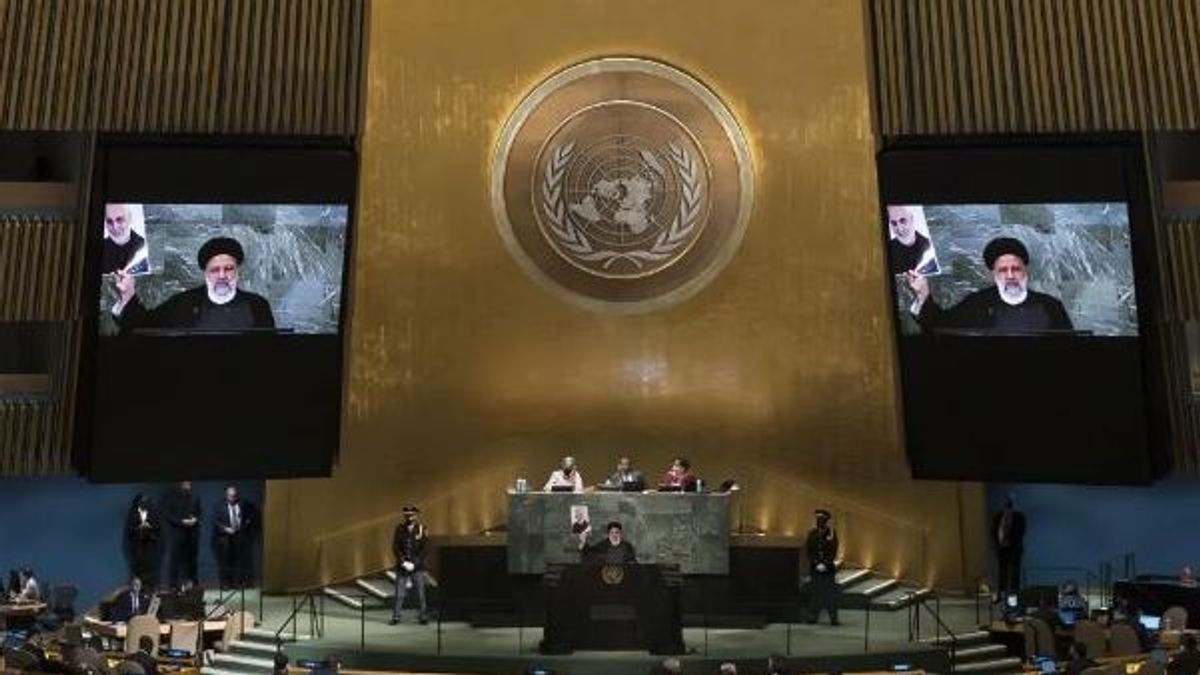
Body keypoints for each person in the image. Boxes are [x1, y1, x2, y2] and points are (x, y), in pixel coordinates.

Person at [906, 236, 1073, 335]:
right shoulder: (976, 304)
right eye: (1002, 270)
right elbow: (939, 326)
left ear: (1025, 271)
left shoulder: (1051, 306)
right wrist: (923, 293)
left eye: (1016, 269)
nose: (1010, 276)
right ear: (993, 275)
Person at [112, 236, 275, 333]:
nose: (222, 276)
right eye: (215, 270)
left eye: (229, 269)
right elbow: (144, 326)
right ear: (205, 273)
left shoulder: (257, 305)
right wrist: (128, 295)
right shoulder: (182, 303)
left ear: (238, 271)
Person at [390, 505, 428, 625]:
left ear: (416, 516)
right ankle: (396, 617)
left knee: (420, 594)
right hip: (402, 567)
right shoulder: (399, 529)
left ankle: (423, 616)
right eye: (407, 515)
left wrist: (414, 563)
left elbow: (425, 549)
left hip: (417, 568)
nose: (409, 517)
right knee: (399, 594)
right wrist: (403, 562)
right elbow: (395, 547)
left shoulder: (421, 529)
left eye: (412, 515)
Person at [163, 481, 201, 590]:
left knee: (192, 561)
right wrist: (181, 522)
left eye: (189, 483)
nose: (188, 485)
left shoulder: (195, 497)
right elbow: (168, 515)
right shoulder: (172, 498)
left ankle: (193, 583)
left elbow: (199, 513)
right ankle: (173, 585)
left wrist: (195, 519)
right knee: (175, 560)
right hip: (177, 534)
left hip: (192, 534)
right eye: (185, 483)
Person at [805, 509, 839, 625]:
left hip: (828, 569)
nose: (818, 521)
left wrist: (825, 563)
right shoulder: (812, 533)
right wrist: (816, 563)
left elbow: (833, 551)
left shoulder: (831, 533)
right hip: (815, 568)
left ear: (826, 521)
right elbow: (809, 551)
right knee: (815, 593)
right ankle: (813, 616)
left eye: (821, 519)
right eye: (817, 519)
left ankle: (833, 617)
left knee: (829, 594)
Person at [213, 485, 251, 589]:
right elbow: (215, 522)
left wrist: (243, 526)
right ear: (226, 495)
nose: (232, 498)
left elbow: (248, 519)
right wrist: (225, 529)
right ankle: (225, 584)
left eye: (234, 496)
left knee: (238, 561)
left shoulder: (242, 505)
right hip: (224, 538)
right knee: (225, 562)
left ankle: (237, 583)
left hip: (239, 536)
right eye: (230, 496)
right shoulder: (219, 506)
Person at [887, 205, 938, 276]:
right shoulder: (886, 251)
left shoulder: (928, 244)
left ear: (911, 219)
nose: (900, 228)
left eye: (903, 221)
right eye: (894, 223)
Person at [992, 496, 1026, 599]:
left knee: (1015, 573)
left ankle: (1013, 594)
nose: (1007, 510)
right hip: (1002, 549)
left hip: (1014, 549)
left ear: (1012, 508)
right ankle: (1001, 594)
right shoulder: (998, 516)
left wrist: (1010, 541)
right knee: (1002, 572)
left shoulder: (1019, 517)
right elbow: (993, 531)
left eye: (1009, 508)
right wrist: (999, 543)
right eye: (1005, 508)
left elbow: (1021, 532)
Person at [102, 204, 149, 276]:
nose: (115, 227)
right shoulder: (98, 250)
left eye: (119, 219)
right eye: (109, 221)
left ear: (130, 218)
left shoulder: (144, 245)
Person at [126, 494, 161, 589]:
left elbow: (158, 526)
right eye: (142, 502)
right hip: (138, 543)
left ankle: (150, 586)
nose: (144, 504)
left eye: (146, 502)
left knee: (150, 564)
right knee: (139, 566)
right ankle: (140, 586)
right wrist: (139, 527)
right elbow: (130, 528)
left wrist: (150, 526)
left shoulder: (153, 513)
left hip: (150, 543)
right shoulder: (132, 514)